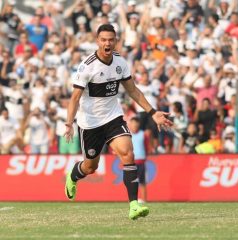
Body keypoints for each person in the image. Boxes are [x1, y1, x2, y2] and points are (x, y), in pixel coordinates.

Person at [63, 24, 173, 220]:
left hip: (113, 117)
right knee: (90, 167)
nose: (107, 43)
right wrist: (69, 124)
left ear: (115, 41)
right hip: (90, 124)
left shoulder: (120, 62)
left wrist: (152, 112)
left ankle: (133, 206)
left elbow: (133, 90)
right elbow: (74, 98)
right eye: (103, 39)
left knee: (127, 153)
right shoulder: (87, 66)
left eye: (111, 39)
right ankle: (73, 175)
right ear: (97, 41)